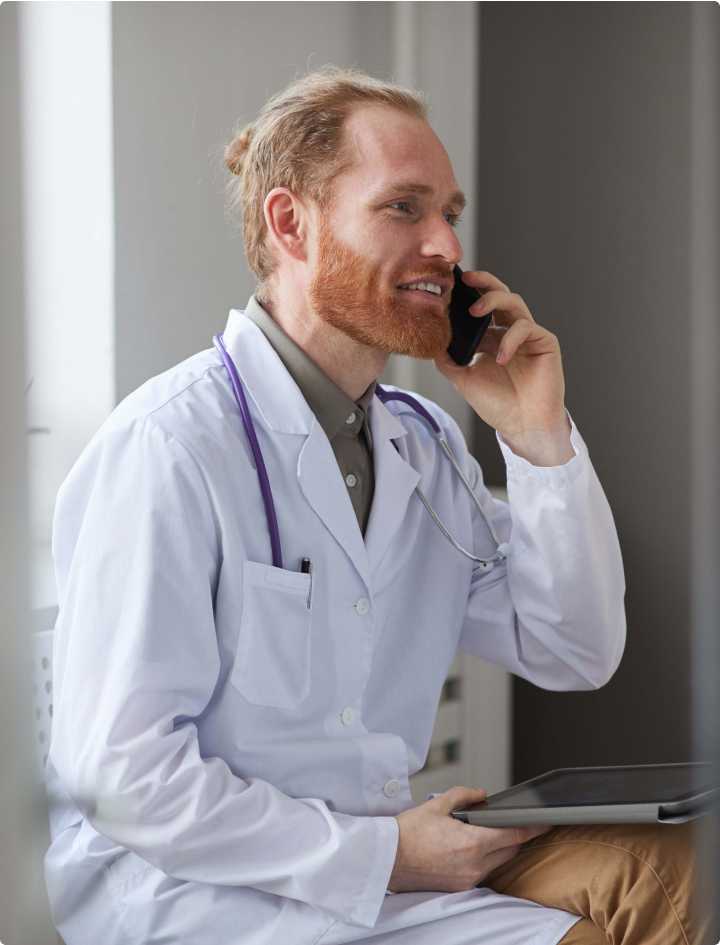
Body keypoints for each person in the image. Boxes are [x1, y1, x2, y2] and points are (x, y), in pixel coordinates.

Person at [43, 65, 711, 945]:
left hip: (391, 857)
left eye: (450, 213)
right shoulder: (169, 446)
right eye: (405, 208)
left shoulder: (421, 442)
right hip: (200, 891)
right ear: (292, 222)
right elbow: (125, 778)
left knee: (687, 867)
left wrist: (538, 438)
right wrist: (383, 855)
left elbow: (575, 647)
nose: (445, 245)